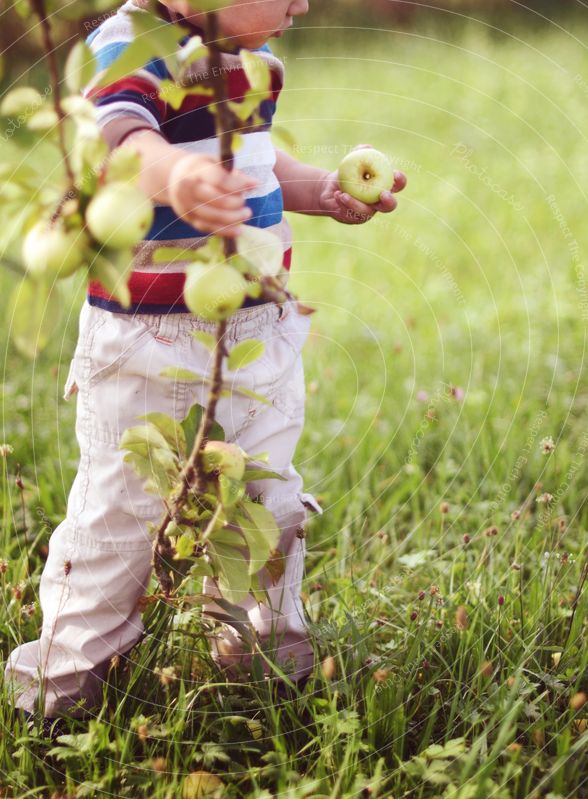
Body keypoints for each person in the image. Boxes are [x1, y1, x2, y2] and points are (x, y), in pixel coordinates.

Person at [5, 0, 406, 731]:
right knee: (118, 525)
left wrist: (319, 189)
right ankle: (58, 693)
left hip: (256, 334)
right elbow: (118, 138)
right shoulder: (128, 46)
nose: (301, 4)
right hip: (147, 342)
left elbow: (260, 159)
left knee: (269, 506)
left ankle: (267, 662)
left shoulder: (253, 64)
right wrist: (175, 176)